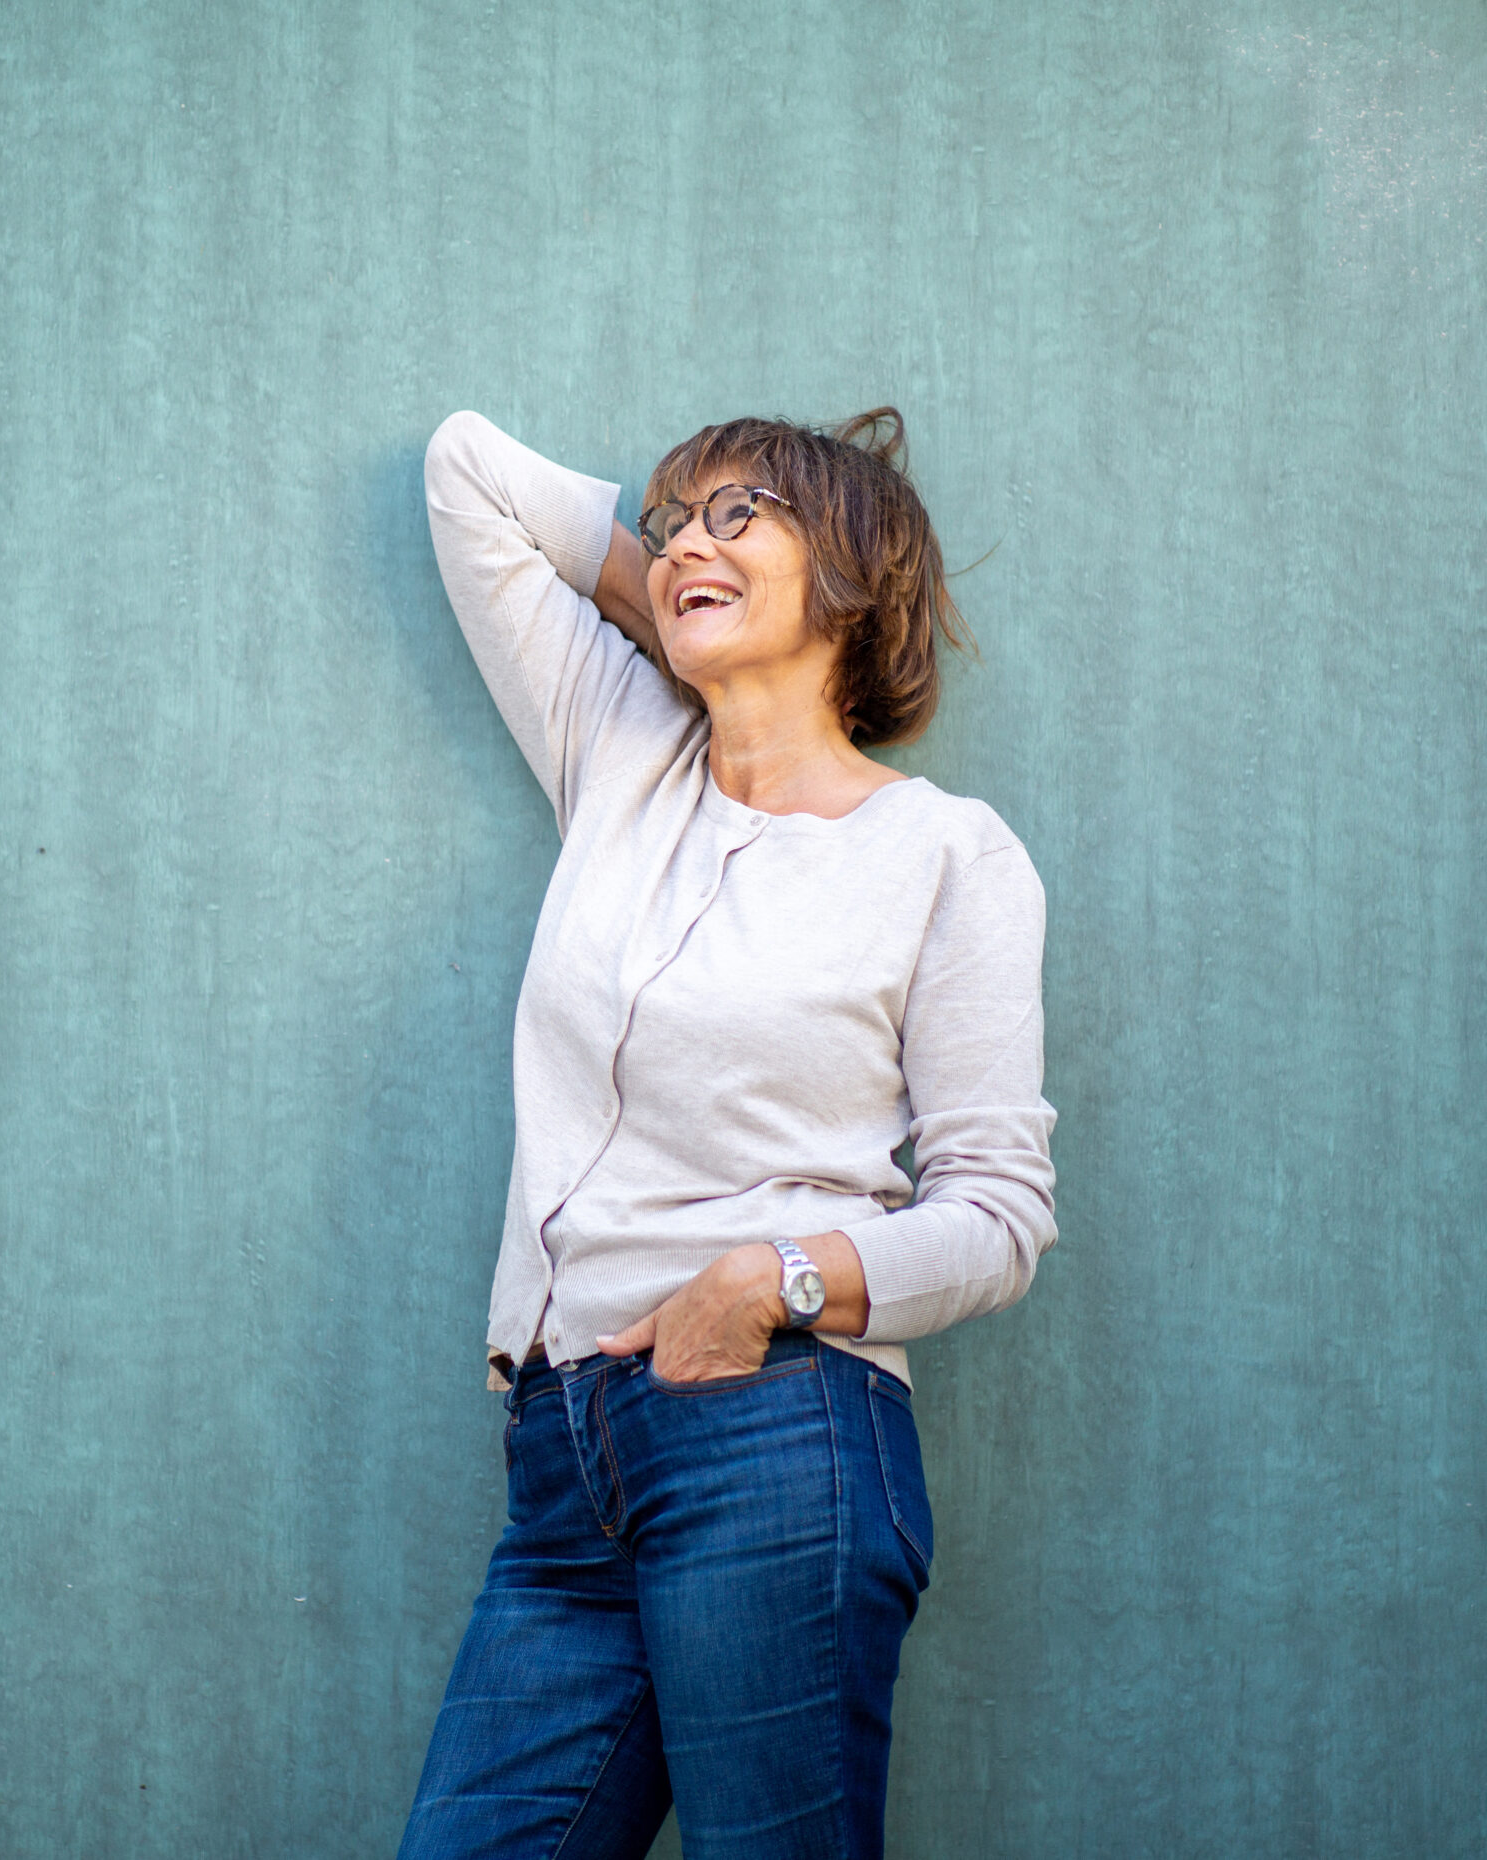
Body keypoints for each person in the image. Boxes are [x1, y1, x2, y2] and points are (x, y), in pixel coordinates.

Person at [398, 408, 1057, 1860]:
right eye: (673, 515)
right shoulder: (615, 746)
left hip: (773, 1429)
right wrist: (692, 599)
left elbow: (1000, 1216)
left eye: (743, 513)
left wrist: (769, 1282)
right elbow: (468, 470)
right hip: (563, 1459)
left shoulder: (947, 855)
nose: (686, 534)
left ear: (854, 575)